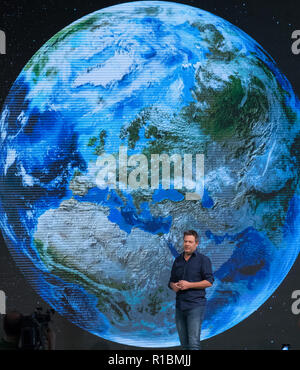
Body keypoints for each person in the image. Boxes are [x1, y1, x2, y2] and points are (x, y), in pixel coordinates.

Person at [168, 230, 214, 350]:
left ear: (196, 244)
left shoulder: (203, 260)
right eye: (185, 241)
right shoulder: (178, 260)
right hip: (180, 307)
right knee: (184, 346)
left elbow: (209, 282)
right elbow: (171, 282)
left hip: (195, 306)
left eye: (190, 242)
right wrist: (174, 286)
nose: (187, 244)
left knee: (193, 344)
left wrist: (189, 285)